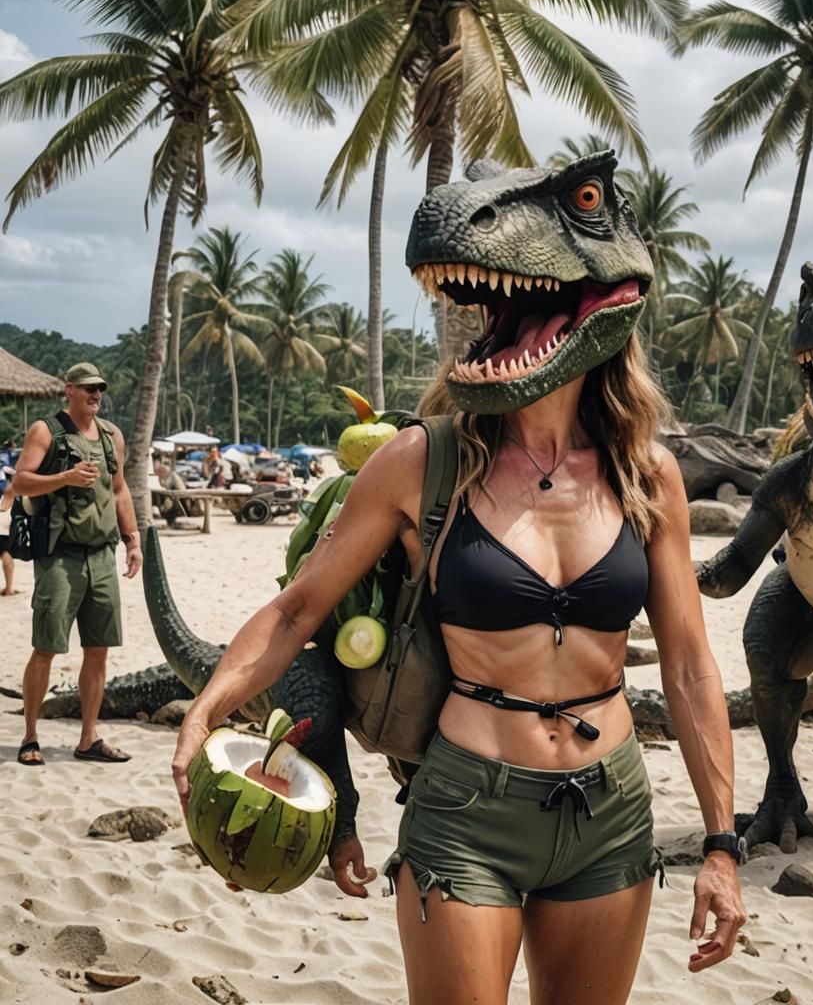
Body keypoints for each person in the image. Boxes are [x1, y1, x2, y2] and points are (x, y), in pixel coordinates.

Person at [173, 354, 745, 996]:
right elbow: (297, 609)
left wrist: (722, 845)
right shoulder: (424, 460)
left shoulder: (644, 471)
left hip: (609, 814)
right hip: (469, 809)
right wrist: (204, 712)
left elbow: (691, 667)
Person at [13, 362, 142, 766]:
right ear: (68, 389)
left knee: (98, 649)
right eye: (87, 388)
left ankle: (89, 739)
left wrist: (133, 540)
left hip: (102, 556)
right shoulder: (45, 431)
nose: (95, 394)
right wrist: (65, 477)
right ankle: (31, 737)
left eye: (99, 388)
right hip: (60, 555)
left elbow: (119, 490)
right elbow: (20, 481)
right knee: (46, 647)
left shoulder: (111, 436)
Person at [0, 472, 16, 595]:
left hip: (3, 520)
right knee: (6, 554)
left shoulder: (11, 487)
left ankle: (9, 588)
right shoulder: (13, 487)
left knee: (5, 554)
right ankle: (9, 588)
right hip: (5, 523)